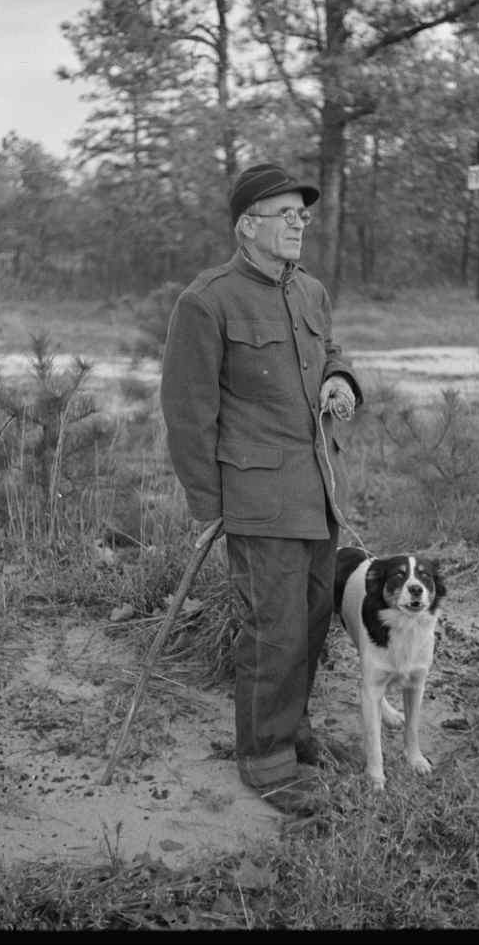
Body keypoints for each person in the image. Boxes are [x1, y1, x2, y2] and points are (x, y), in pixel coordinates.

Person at [160, 163, 363, 813]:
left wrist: (340, 380)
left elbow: (330, 351)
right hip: (257, 501)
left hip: (318, 491)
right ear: (248, 226)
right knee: (273, 631)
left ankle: (293, 730)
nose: (300, 223)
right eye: (286, 214)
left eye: (303, 214)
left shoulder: (310, 291)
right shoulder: (207, 301)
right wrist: (210, 505)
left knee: (310, 620)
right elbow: (188, 412)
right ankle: (266, 760)